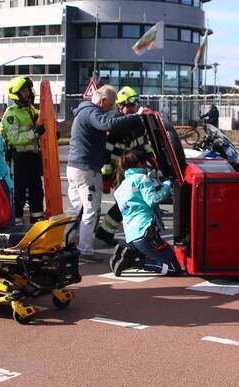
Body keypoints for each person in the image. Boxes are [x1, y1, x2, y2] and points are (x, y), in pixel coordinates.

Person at [66, 84, 138, 260]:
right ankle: (85, 249)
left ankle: (65, 242)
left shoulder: (83, 111)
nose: (112, 108)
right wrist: (133, 118)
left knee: (75, 209)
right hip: (87, 169)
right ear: (102, 100)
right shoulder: (92, 112)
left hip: (75, 167)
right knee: (90, 211)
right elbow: (108, 124)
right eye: (111, 104)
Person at [95, 86, 153, 246]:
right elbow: (107, 154)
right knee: (127, 202)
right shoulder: (115, 125)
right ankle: (106, 232)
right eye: (130, 105)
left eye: (135, 104)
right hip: (119, 171)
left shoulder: (136, 122)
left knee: (128, 203)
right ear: (120, 106)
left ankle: (105, 232)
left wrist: (152, 158)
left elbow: (143, 144)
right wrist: (106, 177)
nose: (133, 107)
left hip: (134, 171)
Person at [109, 149, 181, 276]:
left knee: (165, 257)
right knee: (173, 268)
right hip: (145, 234)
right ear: (140, 164)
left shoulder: (121, 187)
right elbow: (153, 199)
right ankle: (133, 262)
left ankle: (126, 254)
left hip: (132, 236)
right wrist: (167, 185)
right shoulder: (141, 178)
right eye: (145, 163)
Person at [0, 77, 45, 225]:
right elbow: (15, 138)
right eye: (24, 91)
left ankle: (37, 222)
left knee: (36, 191)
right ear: (16, 94)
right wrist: (36, 133)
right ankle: (16, 223)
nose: (27, 93)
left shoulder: (30, 110)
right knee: (19, 192)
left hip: (33, 157)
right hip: (19, 157)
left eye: (28, 90)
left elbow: (44, 120)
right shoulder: (11, 114)